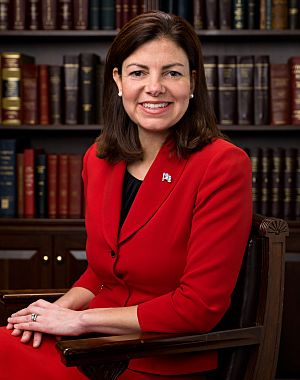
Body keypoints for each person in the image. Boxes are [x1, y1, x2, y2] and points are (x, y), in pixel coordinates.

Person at [0, 11, 252, 380]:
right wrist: (50, 314)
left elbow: (199, 307)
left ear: (193, 81)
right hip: (92, 347)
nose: (155, 87)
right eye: (138, 72)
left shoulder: (223, 164)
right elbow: (103, 273)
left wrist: (79, 321)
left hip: (159, 356)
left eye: (172, 72)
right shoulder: (99, 157)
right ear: (118, 80)